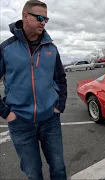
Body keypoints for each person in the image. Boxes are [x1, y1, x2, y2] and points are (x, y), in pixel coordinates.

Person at [0, 0, 67, 179]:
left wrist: (59, 105)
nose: (43, 22)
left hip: (50, 120)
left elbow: (60, 78)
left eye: (46, 18)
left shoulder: (51, 49)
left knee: (59, 168)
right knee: (33, 173)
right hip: (20, 122)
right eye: (39, 17)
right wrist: (6, 113)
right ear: (25, 17)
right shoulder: (6, 48)